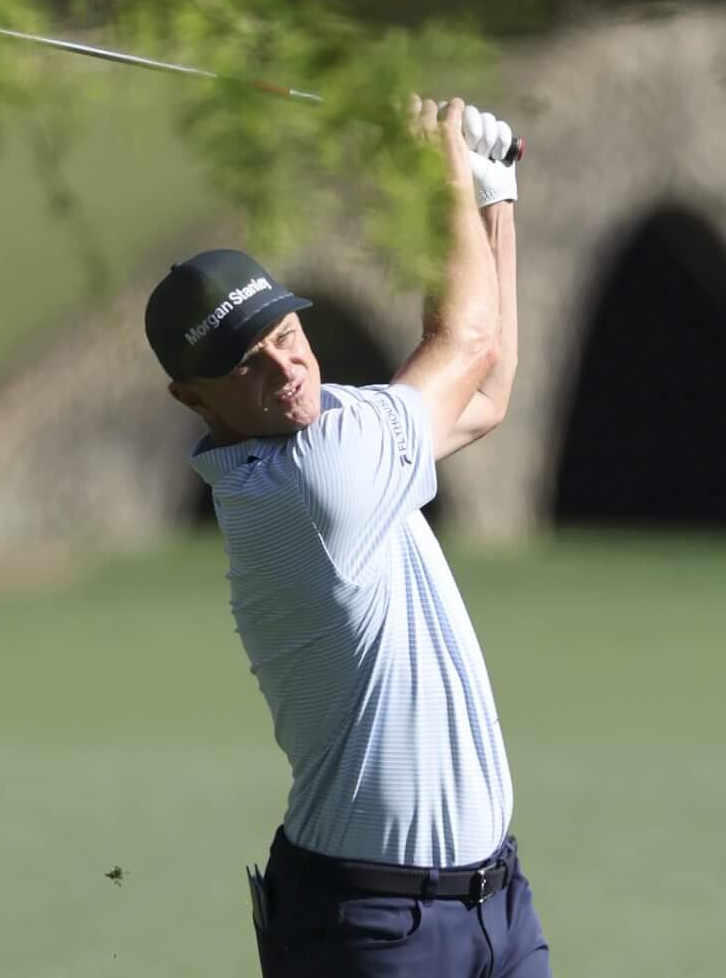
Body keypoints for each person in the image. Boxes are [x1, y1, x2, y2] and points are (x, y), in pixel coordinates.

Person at [142, 96, 552, 978]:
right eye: (246, 363)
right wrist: (435, 164)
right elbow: (464, 336)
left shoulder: (337, 431)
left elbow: (486, 394)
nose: (284, 367)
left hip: (495, 905)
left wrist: (493, 193)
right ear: (194, 398)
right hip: (371, 929)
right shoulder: (315, 481)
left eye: (287, 335)